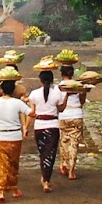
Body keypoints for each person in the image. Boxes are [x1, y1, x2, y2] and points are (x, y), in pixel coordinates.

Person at [0, 66, 31, 203]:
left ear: (2, 89)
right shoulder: (18, 103)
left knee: (1, 163)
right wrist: (31, 103)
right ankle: (14, 188)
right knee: (13, 164)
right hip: (15, 136)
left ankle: (1, 191)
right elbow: (31, 113)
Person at [28, 58, 68, 192]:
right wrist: (67, 96)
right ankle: (46, 179)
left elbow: (32, 112)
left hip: (39, 126)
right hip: (53, 126)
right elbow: (61, 109)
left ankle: (44, 178)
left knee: (43, 153)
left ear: (40, 80)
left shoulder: (34, 94)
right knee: (50, 154)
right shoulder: (57, 93)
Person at [55, 50, 87, 179]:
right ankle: (71, 170)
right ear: (73, 73)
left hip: (63, 116)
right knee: (74, 143)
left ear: (61, 73)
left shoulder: (58, 87)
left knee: (64, 140)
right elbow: (82, 101)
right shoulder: (79, 86)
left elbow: (57, 103)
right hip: (77, 115)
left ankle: (63, 164)